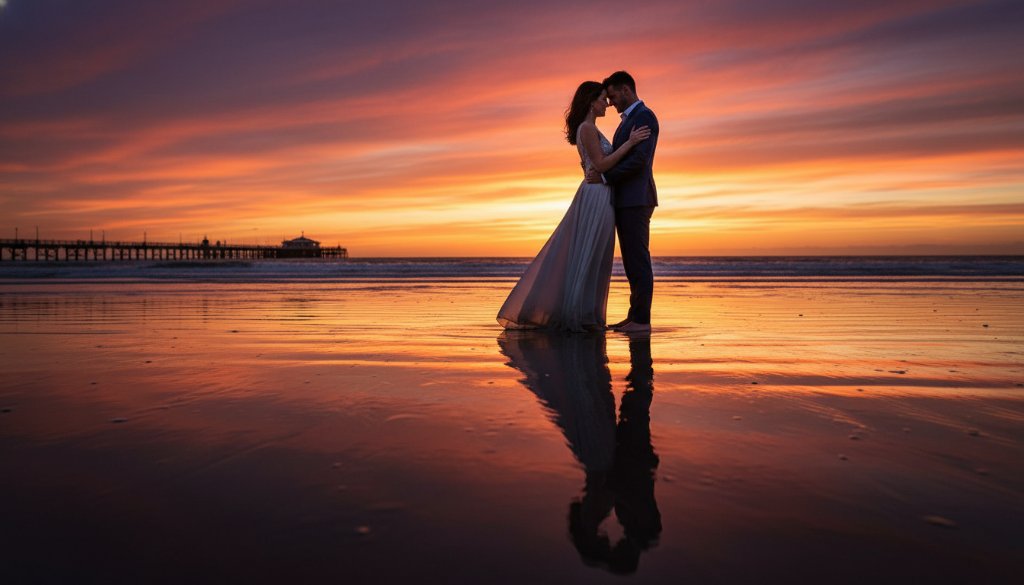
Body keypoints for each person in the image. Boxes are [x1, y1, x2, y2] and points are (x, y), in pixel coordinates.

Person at [497, 80, 650, 331]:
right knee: (590, 254)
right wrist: (630, 144)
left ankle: (586, 314)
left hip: (601, 192)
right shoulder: (587, 129)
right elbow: (600, 165)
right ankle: (580, 315)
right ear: (591, 101)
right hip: (596, 194)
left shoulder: (590, 128)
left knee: (595, 255)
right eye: (603, 99)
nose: (607, 104)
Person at [587, 71, 659, 333]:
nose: (611, 102)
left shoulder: (644, 117)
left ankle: (641, 320)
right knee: (631, 260)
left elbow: (638, 161)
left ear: (626, 90)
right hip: (625, 199)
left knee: (638, 259)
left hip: (636, 198)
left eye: (614, 96)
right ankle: (634, 316)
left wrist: (605, 176)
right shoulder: (629, 120)